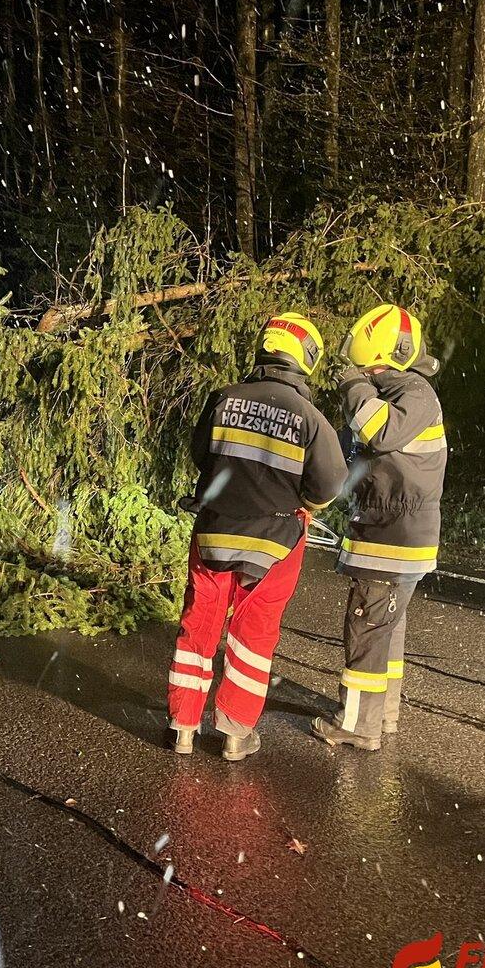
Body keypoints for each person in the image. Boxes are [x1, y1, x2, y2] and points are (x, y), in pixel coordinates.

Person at [168, 313, 349, 761]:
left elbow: (200, 456)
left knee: (200, 624)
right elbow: (328, 486)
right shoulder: (310, 418)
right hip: (276, 540)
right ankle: (234, 733)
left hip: (215, 530)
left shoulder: (223, 398)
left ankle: (183, 727)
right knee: (254, 633)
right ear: (306, 359)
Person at [311, 304, 448, 752]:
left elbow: (381, 433)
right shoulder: (399, 391)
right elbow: (362, 461)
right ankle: (382, 716)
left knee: (366, 627)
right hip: (392, 531)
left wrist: (352, 386)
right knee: (384, 629)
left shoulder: (414, 394)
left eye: (366, 366)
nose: (360, 372)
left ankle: (357, 725)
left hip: (393, 536)